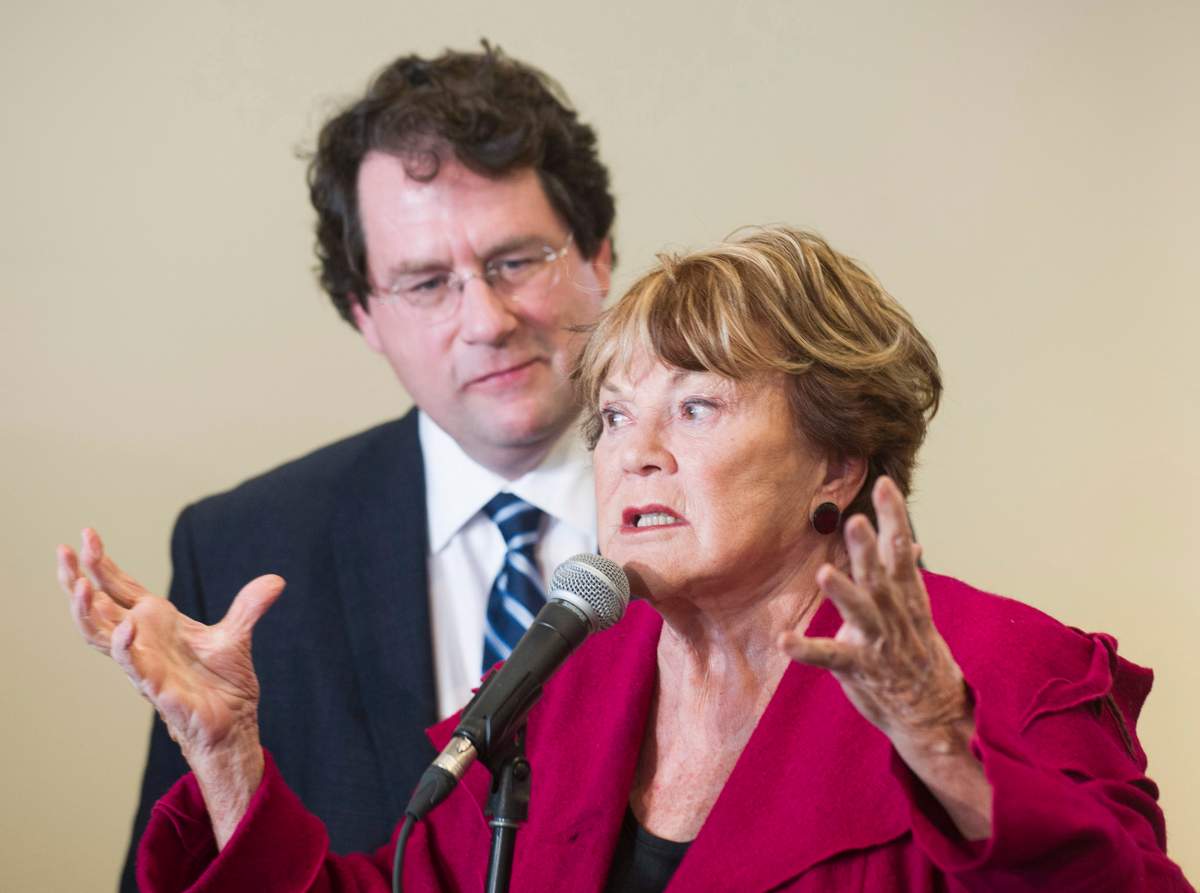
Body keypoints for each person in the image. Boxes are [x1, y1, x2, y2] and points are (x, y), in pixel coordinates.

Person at [59, 225, 1192, 891]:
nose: (633, 453)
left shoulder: (1007, 665)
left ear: (837, 460)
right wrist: (228, 754)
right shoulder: (568, 686)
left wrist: (945, 747)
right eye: (610, 417)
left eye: (695, 408)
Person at [106, 43, 615, 891]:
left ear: (598, 257)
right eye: (425, 284)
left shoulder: (729, 511)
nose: (486, 320)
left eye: (516, 261)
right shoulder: (240, 549)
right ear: (365, 315)